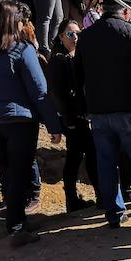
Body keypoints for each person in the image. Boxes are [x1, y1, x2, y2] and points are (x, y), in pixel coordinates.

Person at [0, 0, 63, 247]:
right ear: (12, 22)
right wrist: (53, 124)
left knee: (7, 167)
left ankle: (14, 217)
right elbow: (39, 91)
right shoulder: (21, 49)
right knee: (20, 169)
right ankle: (16, 225)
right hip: (19, 119)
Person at [74, 0, 131, 230]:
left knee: (106, 164)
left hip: (98, 110)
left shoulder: (86, 36)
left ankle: (114, 213)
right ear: (125, 10)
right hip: (130, 108)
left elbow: (78, 76)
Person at [46, 18, 99, 211]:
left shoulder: (76, 56)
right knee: (87, 155)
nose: (75, 37)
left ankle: (73, 198)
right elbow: (57, 94)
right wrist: (68, 120)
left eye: (78, 33)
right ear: (61, 37)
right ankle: (91, 196)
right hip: (73, 119)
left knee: (76, 156)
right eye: (70, 34)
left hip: (80, 116)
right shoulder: (59, 60)